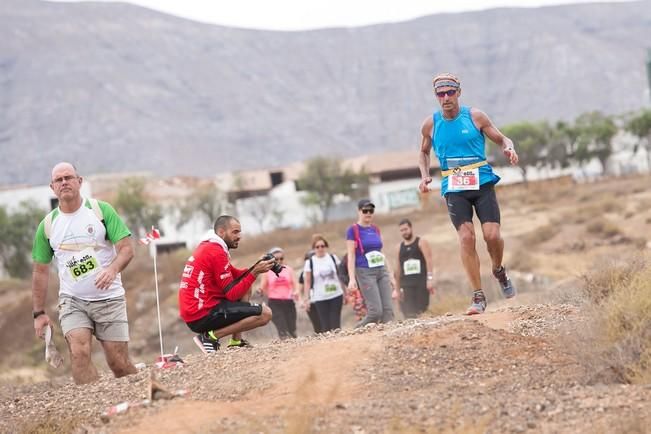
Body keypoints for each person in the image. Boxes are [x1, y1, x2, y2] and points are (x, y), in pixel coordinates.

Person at [418, 72, 519, 315]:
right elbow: (423, 152)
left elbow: (501, 138)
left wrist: (509, 148)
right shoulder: (430, 124)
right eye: (440, 94)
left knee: (492, 235)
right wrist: (424, 176)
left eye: (450, 92)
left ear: (458, 93)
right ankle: (478, 296)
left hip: (482, 181)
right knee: (466, 238)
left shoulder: (475, 117)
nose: (445, 98)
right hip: (454, 186)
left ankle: (498, 269)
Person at [31, 162, 137, 384]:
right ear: (53, 188)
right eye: (59, 180)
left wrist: (112, 269)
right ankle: (95, 410)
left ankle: (140, 405)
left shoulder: (101, 211)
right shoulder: (48, 225)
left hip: (109, 298)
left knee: (118, 363)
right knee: (79, 354)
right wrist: (38, 313)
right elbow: (40, 272)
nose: (64, 183)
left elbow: (127, 249)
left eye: (68, 177)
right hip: (73, 301)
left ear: (79, 181)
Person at [178, 215, 274, 353]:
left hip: (197, 310)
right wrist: (255, 273)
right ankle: (209, 338)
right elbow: (232, 294)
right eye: (235, 232)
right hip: (201, 314)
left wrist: (257, 266)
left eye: (239, 232)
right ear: (222, 232)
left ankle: (236, 341)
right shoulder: (215, 251)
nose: (239, 236)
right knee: (265, 314)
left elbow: (238, 275)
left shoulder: (211, 246)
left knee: (246, 285)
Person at [346, 199, 395, 326]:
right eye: (365, 210)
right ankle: (357, 332)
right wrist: (352, 279)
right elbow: (351, 255)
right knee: (375, 312)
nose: (368, 213)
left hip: (381, 270)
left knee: (388, 311)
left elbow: (382, 252)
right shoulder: (353, 230)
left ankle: (386, 339)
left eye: (371, 211)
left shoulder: (375, 229)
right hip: (365, 271)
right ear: (359, 211)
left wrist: (391, 274)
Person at [393, 219, 435, 318]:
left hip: (421, 282)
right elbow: (398, 269)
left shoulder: (421, 242)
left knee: (421, 310)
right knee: (408, 312)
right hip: (406, 284)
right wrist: (397, 289)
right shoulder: (399, 247)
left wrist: (430, 279)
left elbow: (429, 261)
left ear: (411, 228)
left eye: (406, 229)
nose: (404, 232)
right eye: (402, 230)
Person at [303, 234, 344, 332]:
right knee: (325, 326)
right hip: (320, 298)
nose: (320, 248)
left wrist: (345, 292)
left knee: (336, 324)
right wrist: (306, 299)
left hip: (336, 295)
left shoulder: (333, 258)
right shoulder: (310, 262)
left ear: (326, 246)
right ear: (314, 248)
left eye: (322, 246)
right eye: (317, 247)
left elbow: (340, 276)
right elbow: (307, 282)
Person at [260, 247, 298, 339]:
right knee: (282, 328)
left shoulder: (289, 269)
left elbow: (295, 283)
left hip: (289, 302)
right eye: (276, 259)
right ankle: (285, 345)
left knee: (292, 328)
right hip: (275, 303)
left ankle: (295, 346)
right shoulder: (267, 271)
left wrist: (296, 291)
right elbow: (263, 286)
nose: (279, 261)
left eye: (281, 258)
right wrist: (260, 291)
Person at [298, 249, 323, 334]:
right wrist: (302, 301)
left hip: (322, 298)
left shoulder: (322, 270)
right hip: (310, 301)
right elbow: (300, 289)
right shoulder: (303, 273)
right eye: (308, 259)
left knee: (325, 322)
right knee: (317, 324)